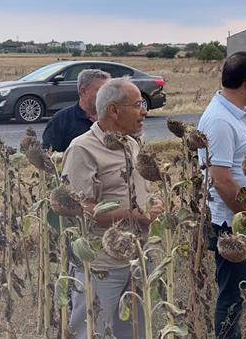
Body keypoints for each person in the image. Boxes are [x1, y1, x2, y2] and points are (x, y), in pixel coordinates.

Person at [62, 77, 164, 339]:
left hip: (138, 258)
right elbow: (80, 208)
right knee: (96, 330)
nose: (145, 111)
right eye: (138, 104)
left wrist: (151, 205)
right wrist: (135, 214)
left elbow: (133, 194)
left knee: (137, 330)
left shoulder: (132, 143)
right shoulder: (82, 149)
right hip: (102, 265)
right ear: (114, 110)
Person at [196, 51, 246, 339]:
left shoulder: (237, 114)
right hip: (233, 225)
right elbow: (222, 181)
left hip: (243, 220)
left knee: (243, 292)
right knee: (233, 296)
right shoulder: (220, 120)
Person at [42, 69, 110, 152]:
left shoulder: (114, 117)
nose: (107, 95)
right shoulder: (61, 120)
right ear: (83, 91)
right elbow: (48, 155)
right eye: (101, 91)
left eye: (108, 91)